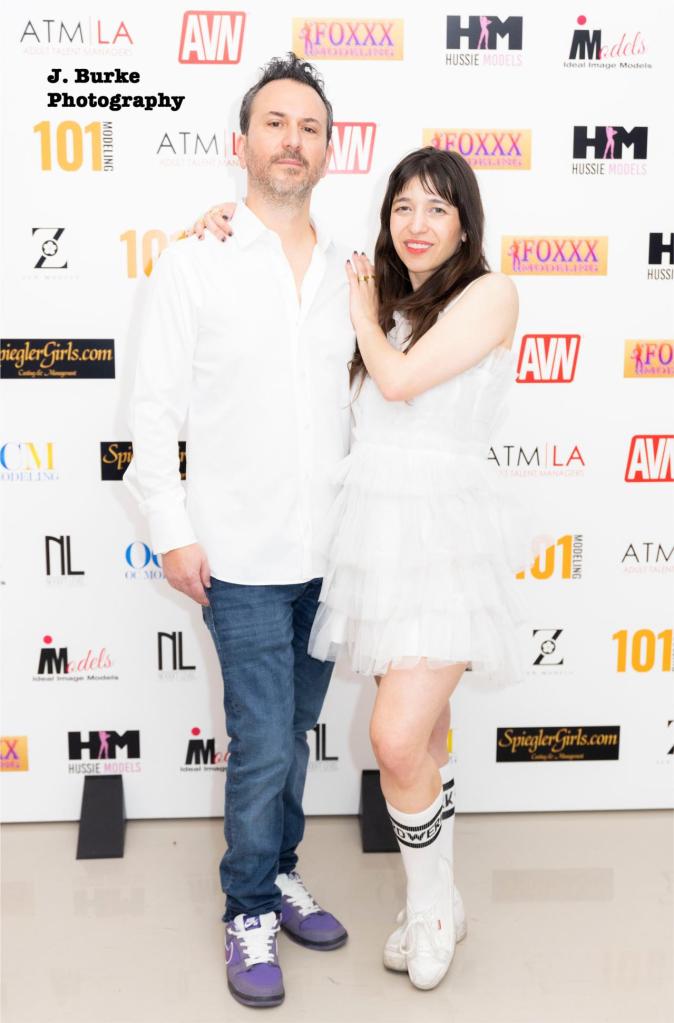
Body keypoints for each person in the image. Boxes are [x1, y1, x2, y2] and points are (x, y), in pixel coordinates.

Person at [195, 146, 523, 993]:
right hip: (376, 542)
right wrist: (219, 225)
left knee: (395, 738)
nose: (417, 223)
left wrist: (364, 314)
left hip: (445, 541)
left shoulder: (489, 293)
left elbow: (402, 381)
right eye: (402, 206)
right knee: (427, 738)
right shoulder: (386, 297)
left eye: (438, 208)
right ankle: (441, 902)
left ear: (466, 224)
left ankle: (430, 906)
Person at [124, 54, 354, 1010]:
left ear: (329, 150)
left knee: (293, 731)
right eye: (275, 123)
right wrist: (171, 528)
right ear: (243, 142)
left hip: (335, 557)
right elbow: (153, 411)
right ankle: (249, 906)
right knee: (263, 739)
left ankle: (282, 867)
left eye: (309, 127)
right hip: (241, 557)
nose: (291, 140)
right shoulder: (195, 260)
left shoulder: (355, 272)